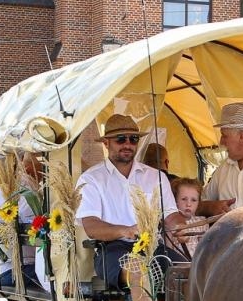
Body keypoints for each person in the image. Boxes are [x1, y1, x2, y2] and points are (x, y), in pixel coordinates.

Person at [75, 111, 176, 287]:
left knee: (190, 271)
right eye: (120, 139)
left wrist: (180, 226)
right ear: (106, 143)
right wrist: (126, 230)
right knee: (137, 273)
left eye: (133, 139)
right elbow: (91, 226)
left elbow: (171, 216)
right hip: (111, 249)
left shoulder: (156, 176)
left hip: (153, 247)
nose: (128, 144)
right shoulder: (91, 179)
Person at [163, 178, 208, 258]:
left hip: (197, 265)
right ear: (174, 201)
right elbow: (169, 250)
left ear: (199, 203)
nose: (188, 204)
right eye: (184, 199)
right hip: (178, 264)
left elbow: (205, 248)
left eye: (193, 200)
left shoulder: (202, 222)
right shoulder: (170, 224)